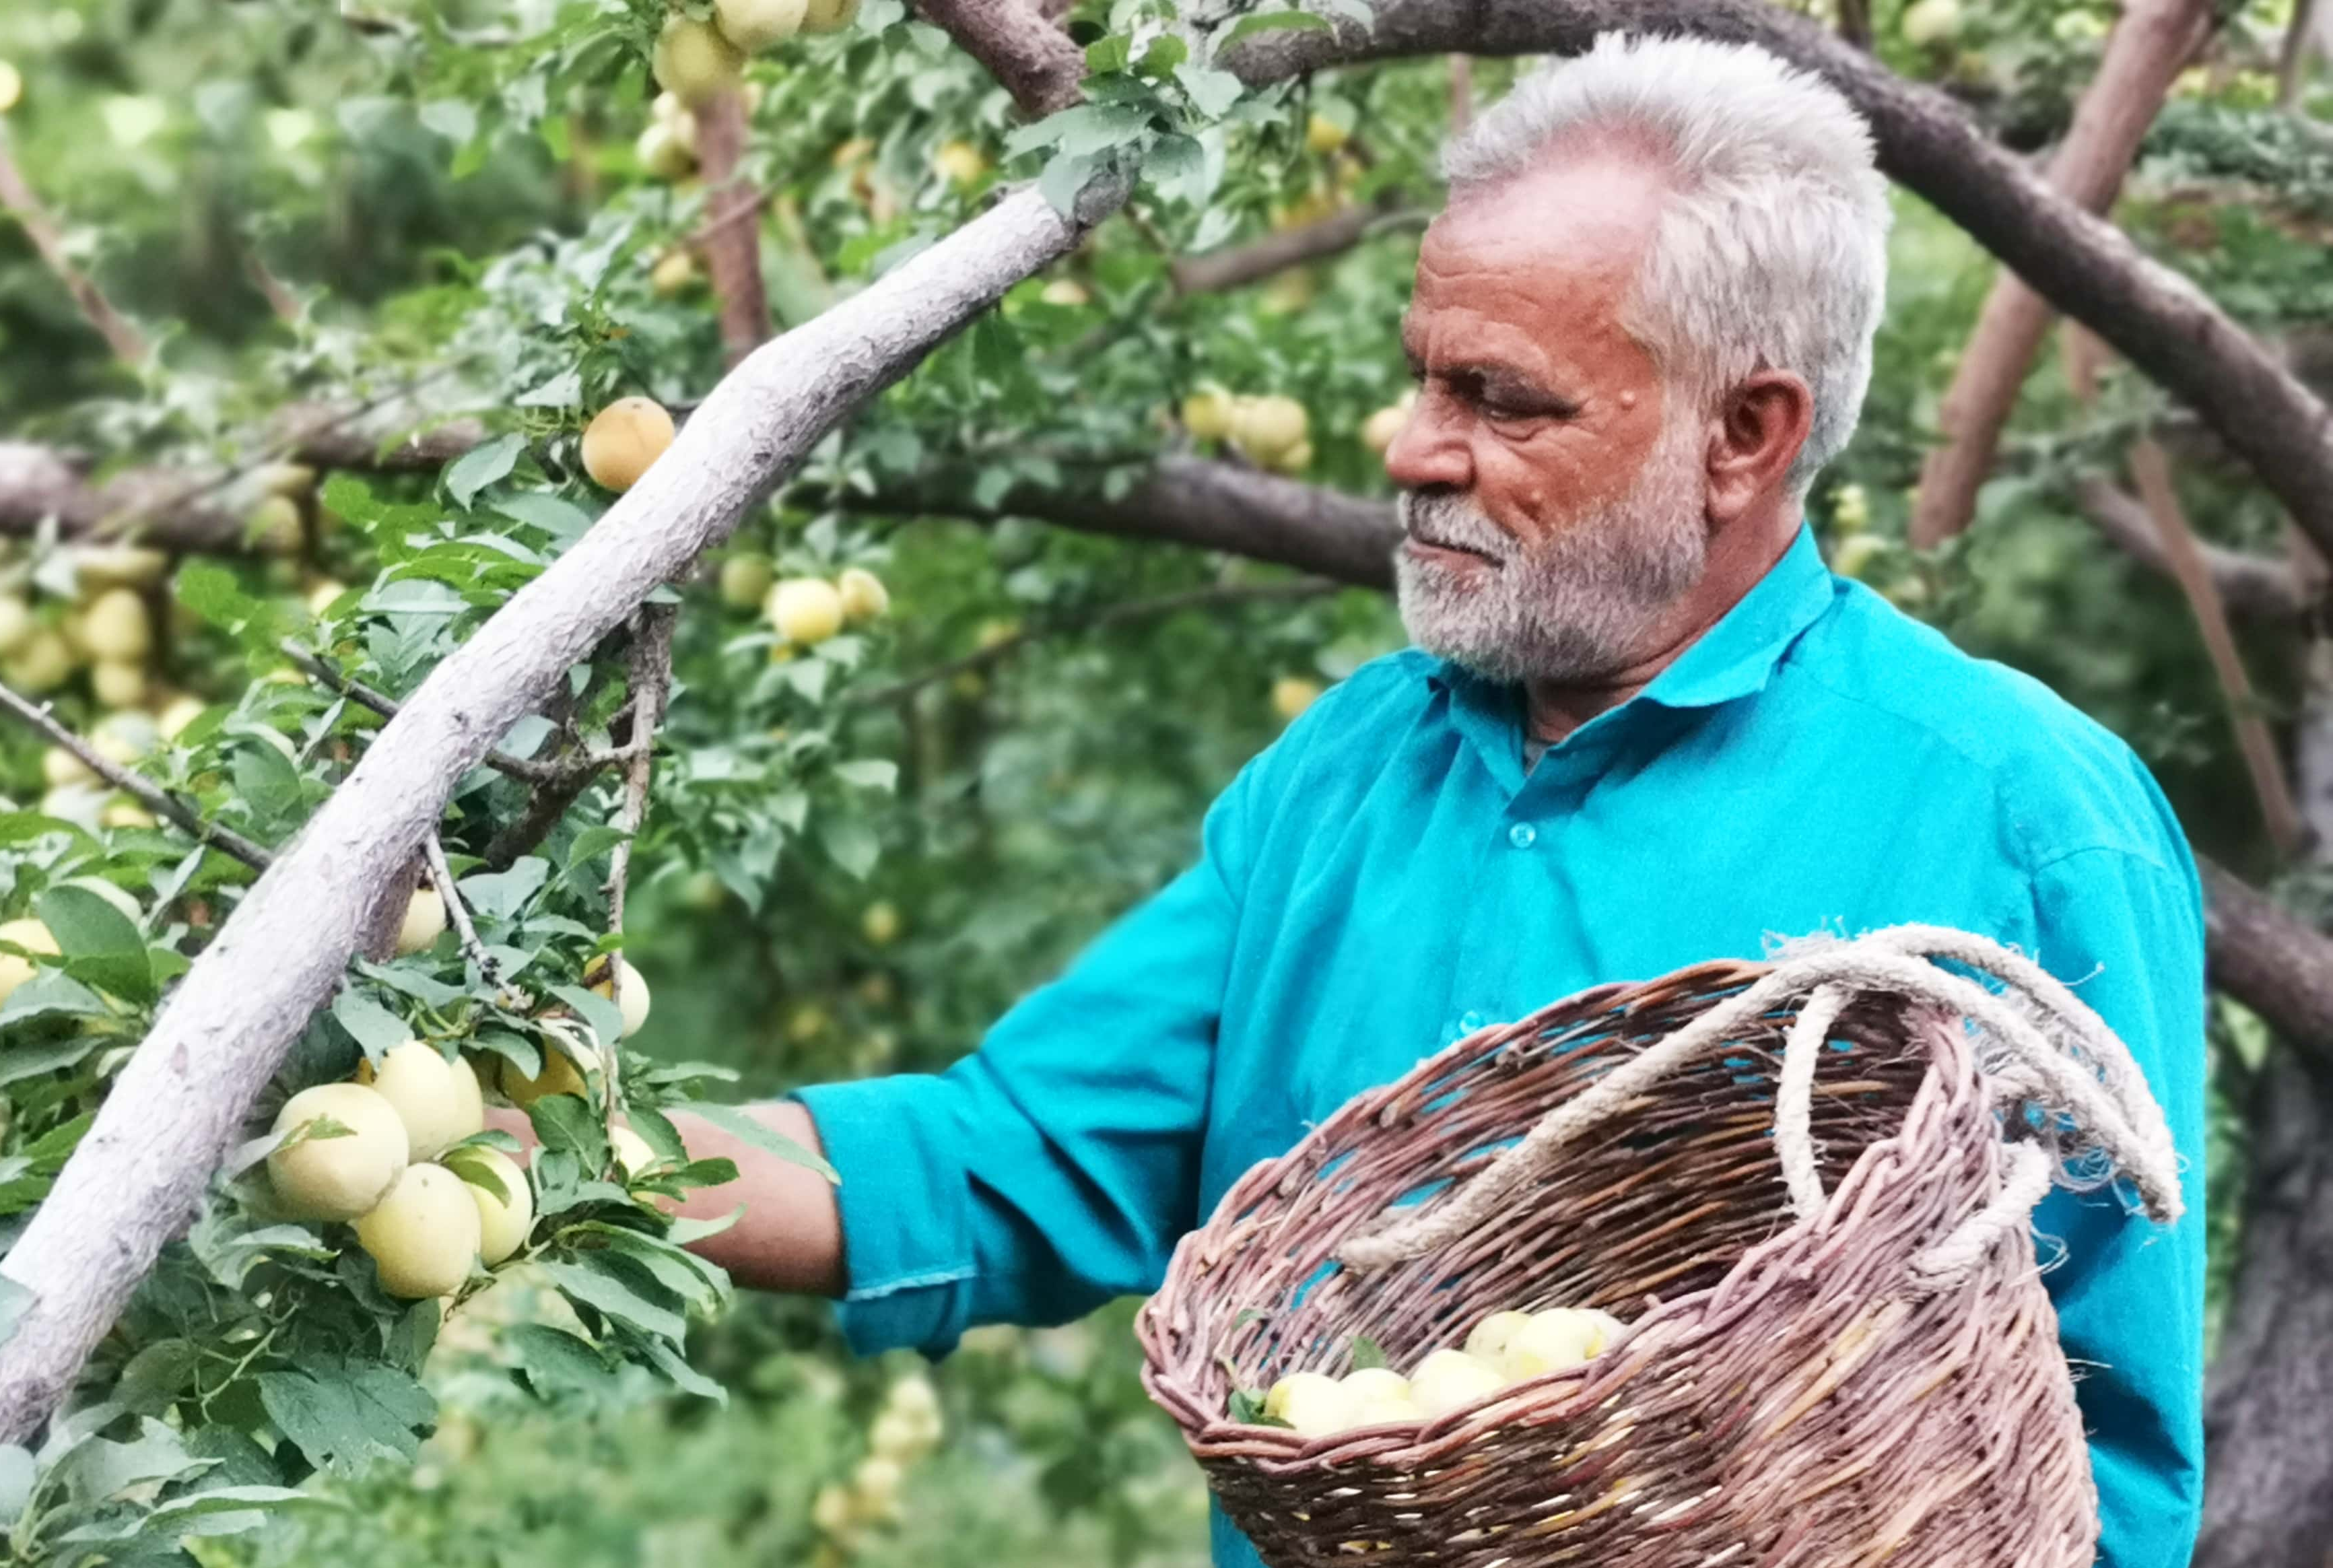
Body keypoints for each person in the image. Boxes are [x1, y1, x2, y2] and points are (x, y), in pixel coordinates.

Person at [560, 32, 2207, 1565]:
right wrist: (560, 1154)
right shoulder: (1348, 770)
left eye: (1501, 401)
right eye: (1424, 380)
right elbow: (1007, 1158)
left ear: (1743, 433)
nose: (1413, 448)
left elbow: (2104, 1465)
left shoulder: (2014, 817)